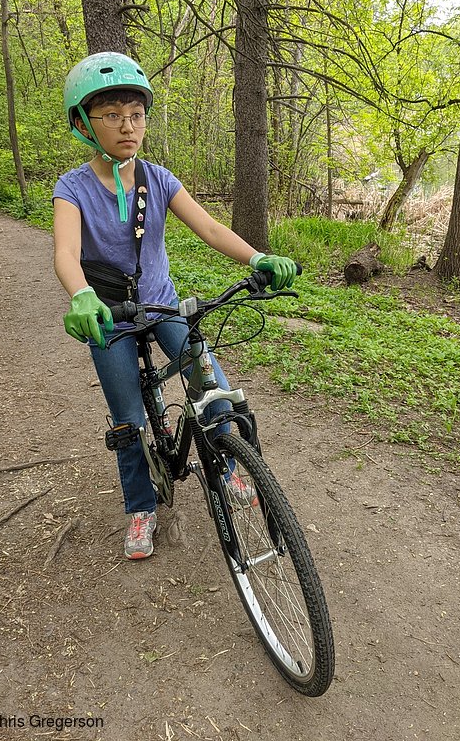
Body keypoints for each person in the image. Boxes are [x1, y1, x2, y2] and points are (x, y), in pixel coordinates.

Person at [53, 51, 297, 560]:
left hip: (163, 305)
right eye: (113, 115)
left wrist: (258, 256)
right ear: (83, 122)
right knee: (128, 418)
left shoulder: (159, 180)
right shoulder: (72, 188)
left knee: (211, 380)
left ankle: (231, 467)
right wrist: (80, 295)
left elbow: (208, 227)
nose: (128, 126)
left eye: (136, 115)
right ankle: (140, 508)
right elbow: (65, 253)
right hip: (110, 317)